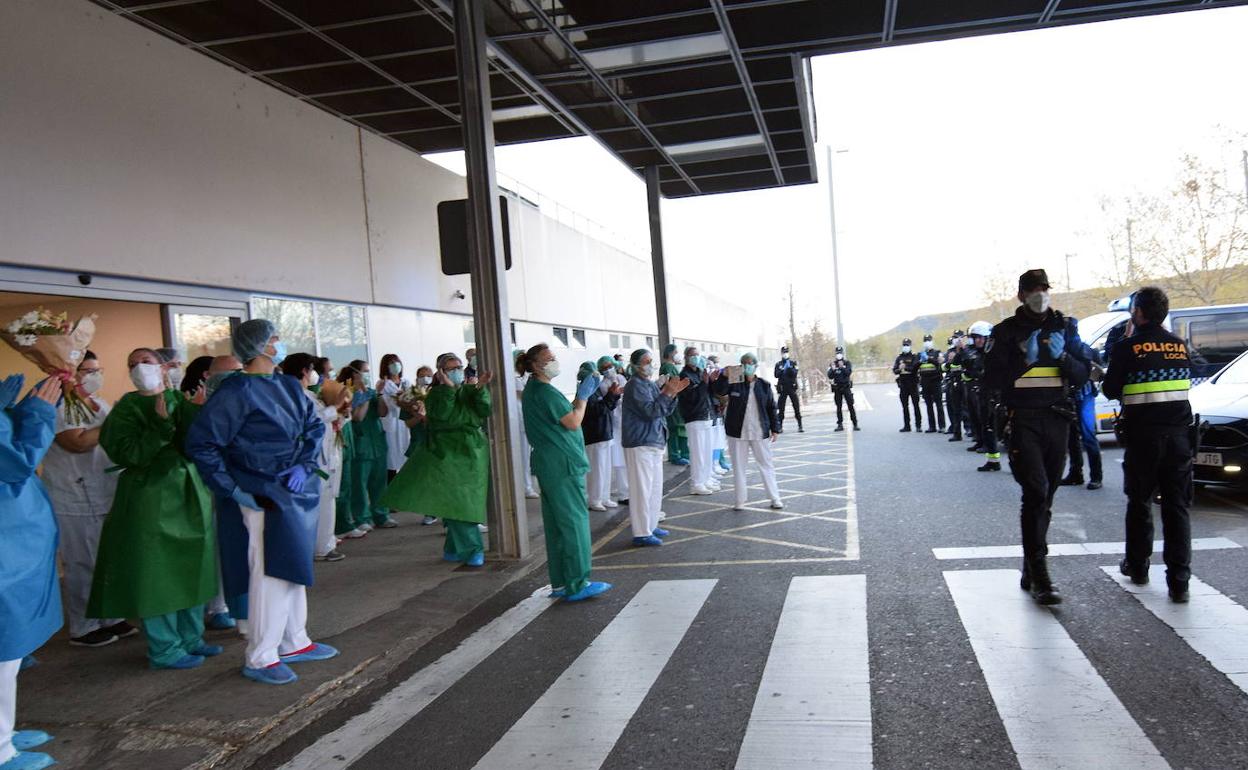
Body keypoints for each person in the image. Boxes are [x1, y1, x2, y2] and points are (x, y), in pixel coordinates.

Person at [187, 320, 337, 685]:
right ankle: (260, 655)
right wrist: (232, 489)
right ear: (257, 346)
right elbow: (203, 445)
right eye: (274, 339)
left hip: (293, 487)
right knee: (271, 570)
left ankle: (294, 640)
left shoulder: (286, 385)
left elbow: (314, 426)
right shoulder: (235, 392)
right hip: (260, 489)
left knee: (294, 564)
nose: (279, 344)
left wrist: (304, 462)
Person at [88, 348, 220, 670]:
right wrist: (159, 428)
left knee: (193, 568)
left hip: (189, 492)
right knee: (157, 574)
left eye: (145, 362)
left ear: (163, 367)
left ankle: (191, 637)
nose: (138, 368)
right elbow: (128, 454)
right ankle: (165, 648)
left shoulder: (178, 400)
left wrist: (198, 412)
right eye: (132, 364)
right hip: (149, 497)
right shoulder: (126, 410)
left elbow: (196, 443)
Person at [984, 269, 1090, 606]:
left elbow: (1084, 373)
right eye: (1033, 289)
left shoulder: (1066, 326)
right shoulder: (1004, 333)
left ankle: (1031, 567)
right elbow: (991, 381)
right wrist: (1023, 360)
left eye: (1044, 288)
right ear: (1021, 295)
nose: (1040, 294)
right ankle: (1041, 574)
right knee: (1036, 491)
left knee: (1047, 495)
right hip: (1022, 420)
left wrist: (1062, 357)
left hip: (1057, 418)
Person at [1101, 286, 1194, 602]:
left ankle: (1138, 567)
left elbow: (1112, 389)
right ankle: (1179, 581)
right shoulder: (1179, 346)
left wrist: (1126, 341)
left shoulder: (1129, 347)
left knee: (1139, 503)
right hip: (1180, 438)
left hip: (1144, 439)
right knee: (1176, 507)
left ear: (1137, 313)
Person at [42, 352, 133, 648]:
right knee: (82, 561)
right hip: (74, 492)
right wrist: (114, 423)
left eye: (97, 370)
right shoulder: (58, 405)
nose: (94, 376)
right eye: (87, 370)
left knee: (107, 558)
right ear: (69, 372)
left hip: (104, 488)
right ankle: (83, 626)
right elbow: (76, 442)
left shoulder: (100, 403)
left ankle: (111, 615)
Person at [0, 376, 63, 770]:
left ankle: (4, 730)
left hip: (15, 539)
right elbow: (16, 463)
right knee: (3, 650)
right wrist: (37, 415)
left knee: (10, 651)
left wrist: (15, 412)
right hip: (7, 547)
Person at [519, 346, 612, 602]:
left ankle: (561, 581)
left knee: (557, 525)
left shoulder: (535, 390)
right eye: (549, 359)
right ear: (536, 366)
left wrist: (577, 401)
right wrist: (582, 398)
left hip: (549, 464)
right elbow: (572, 421)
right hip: (562, 464)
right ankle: (578, 583)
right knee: (573, 523)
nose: (554, 362)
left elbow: (560, 417)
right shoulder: (545, 391)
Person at [380, 353, 492, 566]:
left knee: (461, 501)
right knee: (460, 503)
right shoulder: (436, 395)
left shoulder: (469, 390)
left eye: (459, 366)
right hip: (447, 452)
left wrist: (480, 389)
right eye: (451, 368)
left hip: (472, 451)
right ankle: (472, 550)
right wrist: (450, 389)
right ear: (441, 372)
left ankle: (452, 548)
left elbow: (484, 409)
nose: (457, 371)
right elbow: (446, 415)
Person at [281, 353, 347, 563]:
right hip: (312, 459)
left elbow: (325, 421)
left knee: (327, 500)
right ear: (304, 371)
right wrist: (334, 408)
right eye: (313, 370)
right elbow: (312, 421)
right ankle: (319, 546)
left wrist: (340, 414)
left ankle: (325, 543)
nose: (315, 375)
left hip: (326, 454)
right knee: (317, 501)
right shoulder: (294, 395)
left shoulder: (309, 395)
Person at [622, 348, 690, 546]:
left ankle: (650, 525)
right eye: (646, 361)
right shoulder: (635, 385)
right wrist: (667, 393)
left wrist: (672, 394)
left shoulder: (648, 384)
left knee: (653, 488)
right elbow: (650, 411)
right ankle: (641, 532)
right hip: (640, 442)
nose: (650, 364)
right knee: (641, 489)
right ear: (635, 365)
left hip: (654, 441)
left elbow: (664, 410)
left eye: (651, 360)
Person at [712, 353, 784, 511]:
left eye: (750, 363)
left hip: (760, 431)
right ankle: (739, 500)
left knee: (766, 465)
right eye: (744, 363)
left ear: (756, 365)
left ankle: (774, 498)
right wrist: (723, 376)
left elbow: (772, 408)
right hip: (737, 432)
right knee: (738, 467)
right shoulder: (734, 382)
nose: (747, 366)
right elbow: (718, 391)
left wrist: (775, 428)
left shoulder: (764, 385)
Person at [345, 360, 395, 530]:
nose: (367, 374)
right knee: (359, 483)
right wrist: (364, 395)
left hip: (377, 443)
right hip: (361, 444)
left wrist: (379, 394)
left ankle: (381, 514)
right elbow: (358, 417)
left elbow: (382, 412)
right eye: (364, 371)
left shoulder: (374, 393)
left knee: (379, 482)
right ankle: (361, 518)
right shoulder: (348, 393)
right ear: (354, 374)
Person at [1060, 343, 1105, 491]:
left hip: (1082, 394)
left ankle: (1094, 476)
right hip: (1077, 395)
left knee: (1086, 435)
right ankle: (1078, 474)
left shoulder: (1078, 349)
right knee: (1075, 435)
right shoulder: (1080, 348)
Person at [578, 361, 621, 512]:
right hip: (595, 435)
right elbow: (595, 411)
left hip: (604, 433)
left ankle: (604, 496)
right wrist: (610, 396)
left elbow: (607, 407)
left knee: (605, 468)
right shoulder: (585, 391)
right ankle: (594, 499)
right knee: (597, 469)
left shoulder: (594, 389)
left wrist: (613, 396)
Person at [332, 365, 369, 538]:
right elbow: (356, 416)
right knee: (342, 486)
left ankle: (347, 521)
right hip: (340, 441)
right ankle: (342, 525)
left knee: (348, 484)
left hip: (348, 439)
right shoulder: (338, 393)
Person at [678, 347, 720, 495]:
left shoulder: (699, 372)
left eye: (697, 355)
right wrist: (703, 383)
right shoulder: (684, 375)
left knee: (707, 451)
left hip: (706, 415)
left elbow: (707, 393)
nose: (696, 358)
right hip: (694, 417)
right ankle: (697, 482)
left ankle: (706, 478)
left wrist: (711, 381)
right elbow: (691, 397)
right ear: (686, 357)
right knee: (698, 453)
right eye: (692, 355)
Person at [377, 353, 410, 483]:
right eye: (391, 363)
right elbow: (383, 411)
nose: (395, 366)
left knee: (406, 458)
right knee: (391, 460)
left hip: (405, 425)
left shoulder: (406, 383)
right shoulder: (382, 384)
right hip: (391, 425)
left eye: (396, 362)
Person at [513, 350, 539, 500]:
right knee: (523, 456)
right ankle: (526, 486)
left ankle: (528, 485)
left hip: (526, 420)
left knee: (527, 455)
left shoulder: (527, 377)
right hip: (519, 421)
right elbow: (525, 396)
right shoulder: (515, 378)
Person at [659, 344, 690, 465]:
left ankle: (683, 453)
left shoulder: (672, 367)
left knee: (680, 428)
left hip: (676, 402)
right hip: (671, 400)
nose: (678, 354)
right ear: (671, 353)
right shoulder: (667, 367)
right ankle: (674, 455)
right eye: (676, 352)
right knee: (674, 429)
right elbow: (670, 384)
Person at [605, 357, 631, 505]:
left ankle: (628, 491)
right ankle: (623, 493)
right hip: (615, 427)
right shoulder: (603, 384)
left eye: (611, 366)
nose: (610, 369)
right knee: (619, 462)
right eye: (606, 367)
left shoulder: (621, 378)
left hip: (624, 426)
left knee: (625, 461)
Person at [706, 355, 732, 472]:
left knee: (719, 440)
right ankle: (714, 465)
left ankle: (717, 463)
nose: (714, 368)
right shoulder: (706, 379)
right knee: (712, 442)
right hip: (710, 413)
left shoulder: (717, 377)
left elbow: (722, 392)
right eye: (710, 366)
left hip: (718, 411)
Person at [918, 334, 946, 434]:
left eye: (929, 340)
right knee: (929, 405)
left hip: (936, 381)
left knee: (939, 404)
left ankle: (942, 426)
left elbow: (939, 364)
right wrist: (920, 361)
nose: (927, 342)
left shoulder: (937, 353)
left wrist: (929, 359)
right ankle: (932, 426)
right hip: (925, 382)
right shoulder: (920, 354)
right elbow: (915, 368)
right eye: (925, 340)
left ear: (932, 341)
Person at [826, 346, 858, 431]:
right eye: (837, 353)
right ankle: (840, 424)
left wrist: (842, 367)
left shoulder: (847, 363)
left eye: (840, 353)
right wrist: (833, 370)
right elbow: (829, 376)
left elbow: (848, 373)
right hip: (837, 388)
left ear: (842, 353)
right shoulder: (833, 364)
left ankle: (855, 423)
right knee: (838, 407)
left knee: (850, 405)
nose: (838, 355)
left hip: (846, 387)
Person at [893, 338, 921, 432]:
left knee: (916, 405)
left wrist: (906, 367)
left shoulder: (914, 356)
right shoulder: (899, 358)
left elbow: (915, 368)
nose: (906, 347)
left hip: (912, 383)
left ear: (910, 346)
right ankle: (907, 426)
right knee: (905, 406)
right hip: (903, 384)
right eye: (904, 345)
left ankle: (918, 425)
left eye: (907, 345)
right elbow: (895, 370)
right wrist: (900, 369)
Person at [773, 346, 803, 433]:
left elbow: (795, 373)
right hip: (783, 388)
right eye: (783, 352)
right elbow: (776, 374)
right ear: (781, 354)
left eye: (786, 352)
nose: (785, 354)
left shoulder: (793, 363)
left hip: (791, 388)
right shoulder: (778, 364)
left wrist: (789, 368)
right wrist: (783, 370)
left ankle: (800, 425)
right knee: (781, 408)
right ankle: (780, 426)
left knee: (796, 407)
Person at [944, 332, 967, 442]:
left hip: (965, 382)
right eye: (955, 338)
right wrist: (949, 361)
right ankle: (956, 432)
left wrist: (962, 351)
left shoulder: (967, 350)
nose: (958, 340)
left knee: (967, 408)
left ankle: (970, 429)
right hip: (953, 381)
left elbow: (969, 364)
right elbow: (944, 367)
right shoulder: (949, 352)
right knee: (955, 409)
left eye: (960, 338)